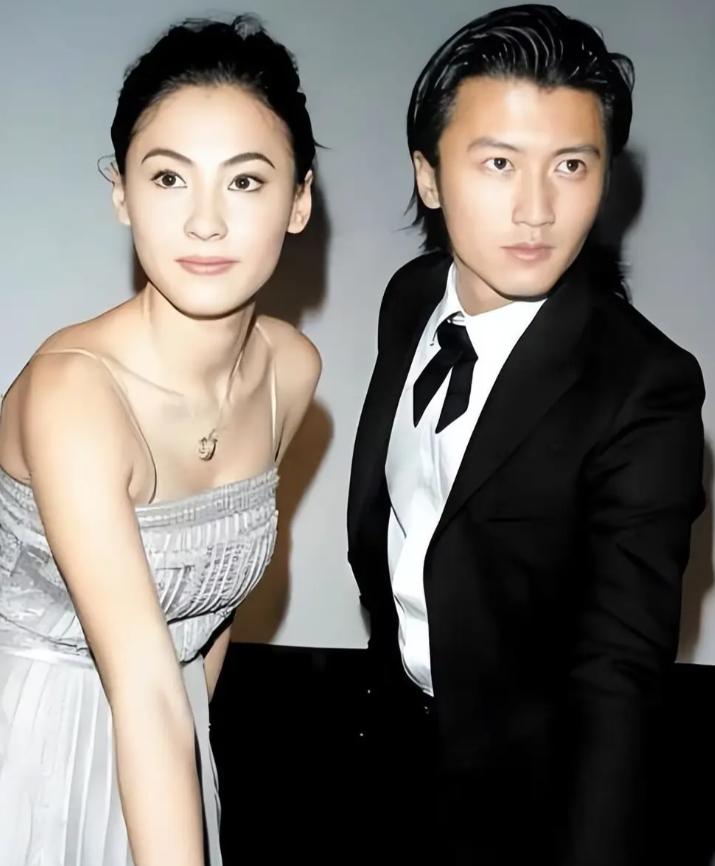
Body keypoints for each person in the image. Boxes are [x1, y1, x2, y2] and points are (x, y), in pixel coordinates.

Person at [347, 4, 705, 864]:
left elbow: (619, 677)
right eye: (498, 163)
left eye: (570, 165)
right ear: (429, 176)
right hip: (389, 767)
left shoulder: (646, 388)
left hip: (535, 815)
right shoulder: (409, 299)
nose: (536, 209)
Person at [0, 15, 319, 866]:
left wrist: (191, 765)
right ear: (122, 195)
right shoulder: (76, 392)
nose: (204, 223)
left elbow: (204, 620)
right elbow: (139, 681)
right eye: (169, 177)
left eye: (245, 182)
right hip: (26, 753)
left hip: (169, 742)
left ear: (298, 201)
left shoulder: (290, 371)